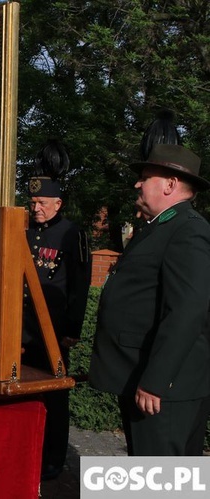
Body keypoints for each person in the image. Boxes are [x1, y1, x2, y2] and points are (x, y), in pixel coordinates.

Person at [89, 143, 210, 456]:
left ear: (170, 184)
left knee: (158, 479)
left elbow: (187, 310)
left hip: (164, 389)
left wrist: (156, 380)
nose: (137, 183)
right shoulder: (161, 226)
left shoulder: (187, 230)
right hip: (145, 377)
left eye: (145, 177)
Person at [22, 140, 91, 480]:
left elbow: (79, 285)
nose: (36, 208)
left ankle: (52, 457)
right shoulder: (24, 229)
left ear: (58, 202)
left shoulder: (71, 233)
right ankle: (26, 448)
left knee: (55, 396)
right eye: (33, 201)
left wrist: (71, 332)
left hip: (53, 329)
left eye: (42, 203)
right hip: (23, 329)